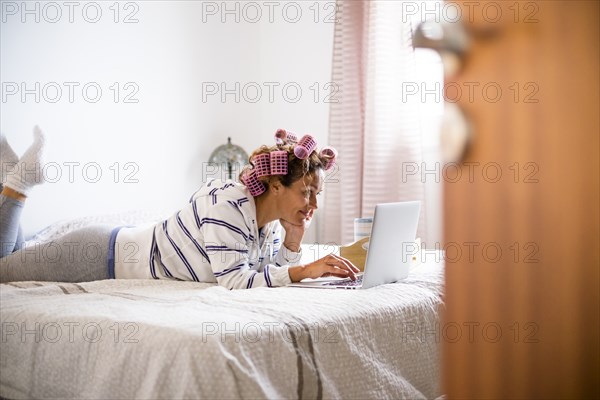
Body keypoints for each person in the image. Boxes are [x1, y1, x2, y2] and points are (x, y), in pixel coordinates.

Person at [0, 127, 359, 289]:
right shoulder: (228, 202)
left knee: (17, 256)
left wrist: (294, 242)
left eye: (318, 195)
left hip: (107, 253)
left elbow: (264, 273)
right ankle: (18, 185)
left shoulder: (265, 221)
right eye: (307, 192)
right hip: (99, 255)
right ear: (276, 185)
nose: (314, 204)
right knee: (2, 271)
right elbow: (234, 280)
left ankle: (13, 176)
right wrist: (304, 270)